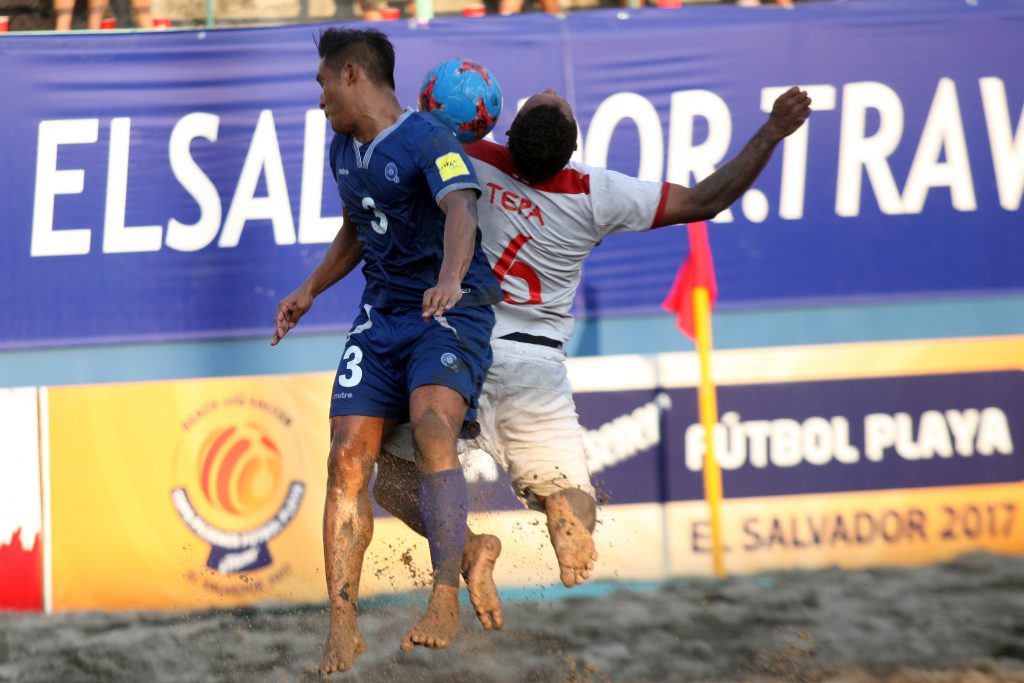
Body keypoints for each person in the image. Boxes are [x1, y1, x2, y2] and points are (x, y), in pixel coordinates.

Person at [374, 85, 812, 629]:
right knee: (572, 494)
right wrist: (772, 131)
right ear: (573, 149)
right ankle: (562, 513)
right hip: (534, 367)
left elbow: (395, 135)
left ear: (505, 133)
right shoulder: (597, 192)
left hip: (457, 348)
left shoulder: (470, 159)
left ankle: (466, 549)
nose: (551, 90)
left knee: (393, 481)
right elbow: (706, 200)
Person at [270, 28, 503, 675]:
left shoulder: (428, 136)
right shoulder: (341, 148)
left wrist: (450, 278)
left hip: (446, 309)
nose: (319, 99)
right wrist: (309, 290)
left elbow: (461, 209)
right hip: (380, 318)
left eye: (322, 83)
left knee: (431, 428)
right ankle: (343, 621)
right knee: (347, 456)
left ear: (351, 75)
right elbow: (358, 224)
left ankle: (444, 598)